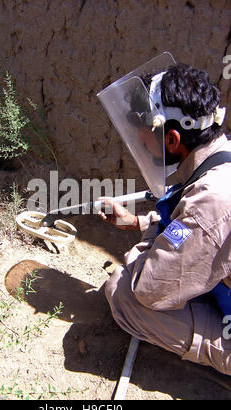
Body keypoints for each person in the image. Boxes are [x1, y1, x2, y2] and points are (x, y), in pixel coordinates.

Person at [98, 63, 231, 376]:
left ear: (172, 140)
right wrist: (137, 223)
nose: (140, 144)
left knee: (123, 293)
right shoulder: (217, 160)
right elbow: (193, 232)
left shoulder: (212, 199)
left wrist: (143, 247)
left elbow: (150, 288)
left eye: (143, 137)